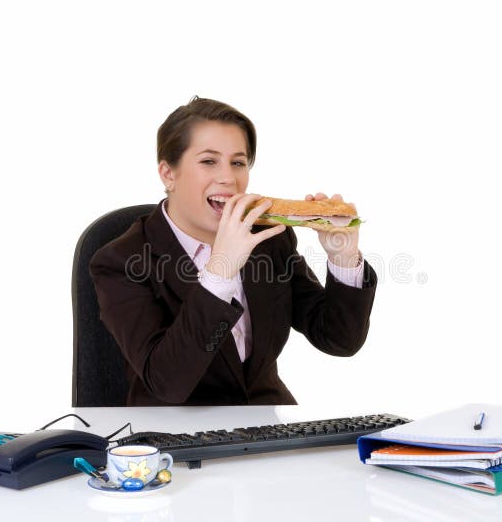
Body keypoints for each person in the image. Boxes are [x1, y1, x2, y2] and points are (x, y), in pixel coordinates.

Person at [89, 97, 377, 405]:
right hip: (174, 436)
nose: (228, 178)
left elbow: (338, 339)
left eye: (238, 162)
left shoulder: (269, 239)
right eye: (209, 161)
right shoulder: (119, 262)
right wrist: (221, 269)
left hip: (268, 428)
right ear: (168, 174)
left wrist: (343, 257)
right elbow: (167, 383)